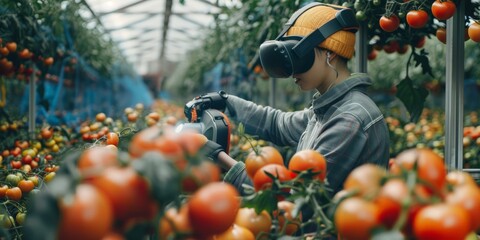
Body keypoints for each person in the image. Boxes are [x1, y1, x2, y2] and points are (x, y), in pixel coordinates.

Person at [196, 3, 390, 196]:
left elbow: (298, 197)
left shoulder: (349, 118)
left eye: (297, 56)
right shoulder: (329, 109)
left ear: (330, 53)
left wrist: (219, 157)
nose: (291, 71)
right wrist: (226, 102)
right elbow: (276, 124)